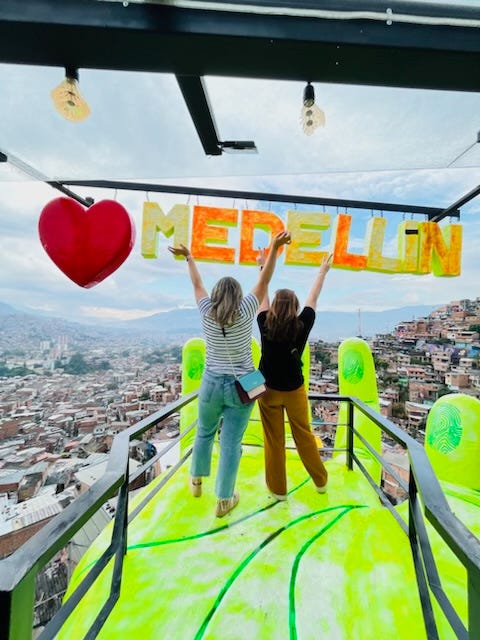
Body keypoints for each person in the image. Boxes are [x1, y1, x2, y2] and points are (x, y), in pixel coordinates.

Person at [168, 230, 291, 517]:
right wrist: (273, 248)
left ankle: (196, 480)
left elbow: (197, 283)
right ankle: (224, 500)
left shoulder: (206, 312)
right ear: (238, 295)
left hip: (211, 383)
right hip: (241, 387)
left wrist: (189, 257)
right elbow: (265, 280)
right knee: (231, 443)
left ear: (215, 295)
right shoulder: (247, 310)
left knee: (204, 432)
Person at [256, 252, 332, 500]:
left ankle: (278, 490)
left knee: (273, 440)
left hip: (267, 391)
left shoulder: (264, 322)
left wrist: (261, 267)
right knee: (304, 436)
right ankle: (320, 481)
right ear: (295, 306)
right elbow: (314, 296)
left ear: (275, 306)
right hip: (294, 391)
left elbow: (261, 295)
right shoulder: (303, 324)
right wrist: (322, 271)